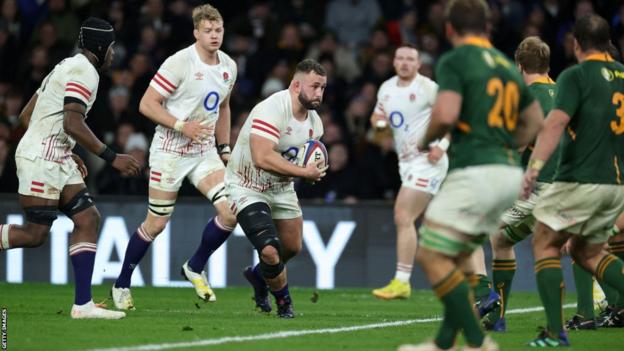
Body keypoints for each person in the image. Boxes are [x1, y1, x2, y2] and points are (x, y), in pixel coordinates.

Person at [399, 0, 544, 350]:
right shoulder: (507, 66)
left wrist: (426, 138)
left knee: (432, 254)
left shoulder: (456, 60)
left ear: (449, 28)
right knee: (462, 254)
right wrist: (508, 148)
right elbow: (535, 122)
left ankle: (479, 342)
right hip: (507, 173)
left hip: (475, 171)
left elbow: (446, 114)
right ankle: (444, 342)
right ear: (487, 27)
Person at [0, 18, 140, 319]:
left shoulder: (65, 65)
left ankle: (83, 305)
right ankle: (83, 304)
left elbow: (26, 116)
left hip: (54, 155)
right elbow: (72, 122)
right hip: (42, 158)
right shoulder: (85, 72)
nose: (114, 55)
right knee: (35, 233)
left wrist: (64, 147)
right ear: (101, 47)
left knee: (88, 219)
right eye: (112, 48)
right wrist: (112, 156)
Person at [111, 4, 237, 310]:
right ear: (196, 32)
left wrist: (224, 148)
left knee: (232, 211)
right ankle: (122, 283)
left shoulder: (229, 66)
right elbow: (147, 103)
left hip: (204, 151)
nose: (214, 35)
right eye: (207, 31)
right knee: (156, 224)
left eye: (218, 30)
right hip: (170, 151)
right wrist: (182, 125)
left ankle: (194, 266)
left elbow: (223, 107)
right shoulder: (179, 62)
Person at [523, 14, 624, 346]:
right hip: (616, 183)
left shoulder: (576, 75)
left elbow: (553, 125)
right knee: (587, 252)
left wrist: (535, 167)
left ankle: (555, 333)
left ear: (576, 44)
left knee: (544, 241)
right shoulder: (623, 76)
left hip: (583, 179)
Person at [226, 59, 328, 318]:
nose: (319, 93)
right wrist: (304, 173)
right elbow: (262, 157)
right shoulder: (273, 108)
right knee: (270, 249)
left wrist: (311, 172)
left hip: (281, 187)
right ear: (296, 85)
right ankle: (284, 304)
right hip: (247, 184)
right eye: (314, 86)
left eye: (323, 88)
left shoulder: (316, 124)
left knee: (291, 248)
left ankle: (258, 277)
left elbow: (303, 159)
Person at [483, 35, 559, 332]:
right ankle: (497, 316)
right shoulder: (562, 91)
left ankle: (485, 306)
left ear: (519, 65)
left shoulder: (528, 98)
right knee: (503, 239)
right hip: (566, 185)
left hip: (537, 186)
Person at [369, 44, 449, 300]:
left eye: (410, 59)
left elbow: (451, 119)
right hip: (406, 163)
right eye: (400, 58)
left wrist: (443, 146)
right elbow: (377, 117)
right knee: (436, 224)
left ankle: (402, 281)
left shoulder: (427, 87)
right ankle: (470, 277)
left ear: (418, 64)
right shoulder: (387, 88)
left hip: (428, 160)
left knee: (403, 215)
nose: (404, 63)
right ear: (394, 62)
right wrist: (380, 124)